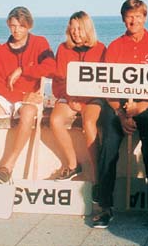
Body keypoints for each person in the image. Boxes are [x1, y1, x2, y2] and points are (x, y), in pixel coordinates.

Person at [93, 0, 148, 230]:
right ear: (123, 19)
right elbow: (105, 83)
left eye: (138, 16)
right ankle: (105, 206)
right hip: (120, 106)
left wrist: (142, 106)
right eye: (129, 16)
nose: (134, 20)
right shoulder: (115, 46)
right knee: (108, 145)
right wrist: (120, 113)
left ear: (145, 17)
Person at [0, 6, 55, 184]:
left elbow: (51, 67)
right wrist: (22, 96)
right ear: (8, 26)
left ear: (29, 26)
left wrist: (23, 70)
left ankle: (7, 166)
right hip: (11, 96)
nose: (17, 30)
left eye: (21, 26)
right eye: (13, 26)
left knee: (27, 113)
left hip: (30, 97)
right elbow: (0, 86)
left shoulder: (40, 43)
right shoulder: (1, 51)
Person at [50, 11, 106, 188]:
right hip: (70, 96)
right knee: (55, 119)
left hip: (93, 98)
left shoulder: (101, 49)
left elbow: (104, 81)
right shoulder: (63, 48)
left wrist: (82, 104)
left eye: (79, 28)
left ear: (87, 28)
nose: (75, 32)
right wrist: (69, 97)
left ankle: (98, 176)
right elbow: (58, 79)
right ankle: (73, 164)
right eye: (72, 28)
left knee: (89, 123)